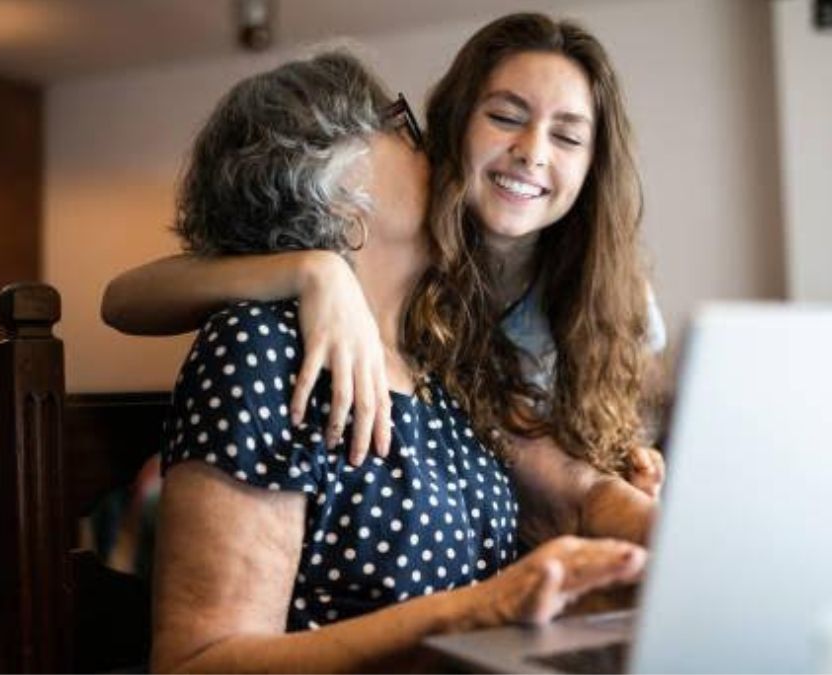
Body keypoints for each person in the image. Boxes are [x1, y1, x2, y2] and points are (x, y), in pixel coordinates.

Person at [152, 51, 651, 673]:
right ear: (337, 195)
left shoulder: (436, 362)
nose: (432, 149)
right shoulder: (260, 349)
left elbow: (556, 506)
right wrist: (474, 611)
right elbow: (193, 661)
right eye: (403, 130)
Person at [102, 13, 667, 500]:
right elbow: (123, 298)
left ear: (595, 167)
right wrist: (312, 269)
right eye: (505, 117)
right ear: (454, 128)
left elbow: (596, 436)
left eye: (568, 137)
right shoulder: (409, 256)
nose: (532, 152)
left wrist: (617, 474)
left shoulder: (606, 292)